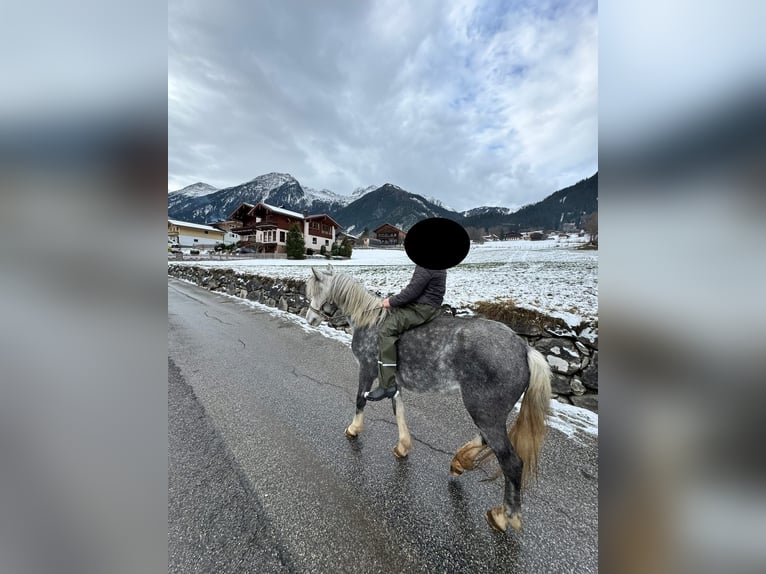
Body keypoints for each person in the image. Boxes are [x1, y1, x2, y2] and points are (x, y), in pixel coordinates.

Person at [364, 265, 447, 401]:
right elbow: (417, 289)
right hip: (429, 304)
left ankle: (387, 386)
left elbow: (412, 292)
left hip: (421, 308)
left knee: (386, 331)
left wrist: (390, 301)